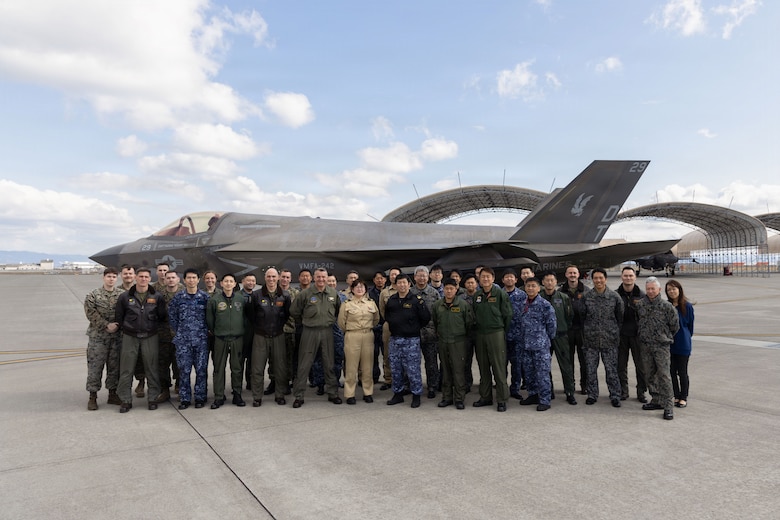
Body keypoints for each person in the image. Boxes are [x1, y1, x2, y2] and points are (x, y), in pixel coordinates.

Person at [115, 267, 167, 413]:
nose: (143, 279)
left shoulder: (157, 296)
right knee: (126, 369)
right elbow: (119, 316)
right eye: (141, 276)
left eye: (146, 277)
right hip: (130, 336)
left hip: (150, 336)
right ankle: (125, 400)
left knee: (151, 368)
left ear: (150, 279)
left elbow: (162, 316)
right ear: (136, 278)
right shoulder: (125, 297)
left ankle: (152, 398)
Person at [289, 268, 342, 408]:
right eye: (318, 277)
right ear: (314, 278)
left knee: (329, 363)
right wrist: (305, 322)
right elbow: (294, 311)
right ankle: (299, 396)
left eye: (324, 277)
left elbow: (337, 310)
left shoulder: (332, 293)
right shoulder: (305, 294)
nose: (321, 280)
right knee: (304, 364)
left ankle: (333, 393)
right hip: (309, 332)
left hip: (327, 331)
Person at [384, 274, 430, 408]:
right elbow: (387, 316)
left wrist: (413, 328)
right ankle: (398, 394)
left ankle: (416, 395)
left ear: (409, 284)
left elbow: (425, 318)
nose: (402, 285)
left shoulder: (416, 300)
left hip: (411, 340)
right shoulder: (392, 300)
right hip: (395, 339)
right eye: (399, 283)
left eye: (404, 283)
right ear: (396, 285)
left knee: (413, 369)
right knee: (395, 368)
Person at [246, 268, 291, 407]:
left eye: (273, 276)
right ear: (265, 278)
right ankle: (257, 397)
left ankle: (279, 395)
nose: (271, 279)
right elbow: (251, 315)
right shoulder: (256, 295)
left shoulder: (285, 295)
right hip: (260, 336)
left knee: (280, 368)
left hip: (278, 335)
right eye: (268, 277)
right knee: (257, 368)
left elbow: (287, 314)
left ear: (278, 278)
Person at [636, 277, 679, 420]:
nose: (650, 291)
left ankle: (668, 406)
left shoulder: (667, 307)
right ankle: (656, 400)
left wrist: (663, 336)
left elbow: (675, 326)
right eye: (648, 288)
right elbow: (638, 322)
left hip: (661, 346)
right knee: (649, 374)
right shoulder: (640, 305)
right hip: (646, 346)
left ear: (659, 290)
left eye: (653, 288)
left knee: (664, 376)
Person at [168, 268, 210, 409]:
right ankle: (185, 398)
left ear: (198, 280)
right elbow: (172, 317)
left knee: (201, 370)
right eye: (189, 278)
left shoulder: (205, 298)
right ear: (184, 280)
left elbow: (210, 317)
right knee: (184, 370)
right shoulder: (178, 298)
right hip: (183, 341)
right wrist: (180, 332)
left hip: (201, 340)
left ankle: (200, 397)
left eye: (194, 278)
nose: (191, 280)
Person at [582, 267, 624, 408]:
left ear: (605, 279)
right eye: (595, 278)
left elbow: (620, 317)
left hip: (609, 340)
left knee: (611, 370)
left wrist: (613, 332)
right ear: (592, 280)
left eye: (601, 278)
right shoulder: (587, 297)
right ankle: (592, 394)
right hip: (591, 340)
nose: (598, 280)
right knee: (591, 370)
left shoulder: (614, 297)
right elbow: (582, 317)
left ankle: (615, 395)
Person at [472, 267, 512, 412]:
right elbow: (474, 314)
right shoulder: (477, 295)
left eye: (488, 276)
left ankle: (502, 399)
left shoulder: (500, 294)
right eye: (483, 277)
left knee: (498, 367)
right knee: (483, 366)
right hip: (481, 334)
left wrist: (501, 331)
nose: (485, 279)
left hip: (496, 333)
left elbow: (507, 315)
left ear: (493, 279)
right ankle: (485, 397)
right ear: (479, 279)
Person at [431, 278, 474, 409]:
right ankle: (447, 397)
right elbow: (435, 322)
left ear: (456, 289)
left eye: (451, 288)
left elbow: (469, 324)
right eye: (447, 288)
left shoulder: (463, 305)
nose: (449, 291)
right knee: (445, 370)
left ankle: (459, 398)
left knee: (458, 371)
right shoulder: (438, 305)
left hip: (458, 342)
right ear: (443, 289)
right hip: (443, 341)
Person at [84, 267, 122, 410]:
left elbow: (126, 312)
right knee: (95, 367)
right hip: (98, 338)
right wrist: (106, 325)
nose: (111, 279)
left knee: (114, 367)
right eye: (108, 276)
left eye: (113, 276)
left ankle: (112, 394)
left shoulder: (122, 295)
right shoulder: (93, 295)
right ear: (103, 278)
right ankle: (92, 396)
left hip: (116, 337)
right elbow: (90, 313)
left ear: (116, 278)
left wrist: (117, 325)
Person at [338, 279, 380, 404]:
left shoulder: (371, 304)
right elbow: (341, 322)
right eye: (357, 287)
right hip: (352, 335)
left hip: (367, 335)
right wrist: (352, 330)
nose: (359, 289)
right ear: (352, 290)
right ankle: (350, 394)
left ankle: (368, 392)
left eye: (362, 287)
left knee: (367, 366)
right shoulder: (346, 304)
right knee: (351, 366)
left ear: (365, 289)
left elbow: (376, 319)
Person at [206, 273, 245, 409]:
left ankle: (237, 394)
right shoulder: (214, 300)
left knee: (237, 368)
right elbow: (210, 320)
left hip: (237, 339)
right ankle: (218, 396)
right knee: (218, 368)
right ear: (221, 284)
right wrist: (217, 332)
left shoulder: (241, 299)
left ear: (235, 284)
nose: (228, 283)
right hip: (220, 339)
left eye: (231, 281)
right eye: (226, 281)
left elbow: (245, 318)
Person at [518, 277, 557, 411]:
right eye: (528, 286)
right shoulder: (523, 304)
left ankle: (545, 399)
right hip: (526, 345)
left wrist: (545, 339)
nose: (530, 288)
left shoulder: (544, 305)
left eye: (533, 286)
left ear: (539, 288)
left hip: (540, 346)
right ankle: (533, 395)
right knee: (529, 373)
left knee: (542, 374)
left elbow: (552, 325)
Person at [540, 271, 577, 405]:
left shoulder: (563, 297)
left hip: (560, 336)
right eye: (547, 280)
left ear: (556, 282)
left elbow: (569, 316)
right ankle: (548, 391)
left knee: (566, 365)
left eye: (552, 280)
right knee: (544, 366)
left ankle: (569, 392)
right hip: (543, 338)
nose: (549, 283)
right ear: (543, 283)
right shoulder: (539, 297)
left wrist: (562, 328)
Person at [616, 266, 648, 403]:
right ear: (622, 277)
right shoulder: (616, 295)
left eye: (630, 276)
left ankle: (641, 392)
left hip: (637, 336)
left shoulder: (642, 296)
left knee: (641, 366)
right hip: (621, 336)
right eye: (625, 276)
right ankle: (623, 391)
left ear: (635, 277)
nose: (628, 278)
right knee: (620, 366)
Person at [409, 265, 441, 398]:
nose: (422, 278)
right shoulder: (409, 293)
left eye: (424, 275)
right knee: (412, 362)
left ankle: (432, 386)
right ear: (415, 277)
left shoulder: (434, 293)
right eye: (419, 275)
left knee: (431, 362)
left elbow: (439, 314)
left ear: (428, 277)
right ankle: (412, 386)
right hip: (413, 333)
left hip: (430, 333)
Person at [119, 264, 146, 399]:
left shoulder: (143, 291)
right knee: (123, 364)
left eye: (130, 274)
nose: (128, 276)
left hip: (140, 332)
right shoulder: (117, 292)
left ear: (134, 276)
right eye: (125, 274)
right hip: (122, 333)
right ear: (121, 275)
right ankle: (121, 391)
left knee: (141, 359)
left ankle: (141, 382)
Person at [666, 279, 694, 408]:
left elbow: (690, 325)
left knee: (682, 372)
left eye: (674, 289)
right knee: (671, 371)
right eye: (669, 290)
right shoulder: (666, 305)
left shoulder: (687, 306)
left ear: (679, 290)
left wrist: (686, 337)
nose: (672, 292)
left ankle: (683, 397)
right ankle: (676, 395)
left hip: (683, 343)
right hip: (670, 343)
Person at [560, 265, 587, 394]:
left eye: (574, 273)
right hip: (567, 331)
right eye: (570, 273)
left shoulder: (586, 291)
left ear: (578, 274)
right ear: (566, 275)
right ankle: (570, 387)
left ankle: (585, 386)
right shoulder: (560, 292)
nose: (572, 275)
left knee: (584, 361)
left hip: (582, 331)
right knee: (568, 361)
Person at [157, 270, 183, 401]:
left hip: (180, 335)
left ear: (178, 279)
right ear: (165, 280)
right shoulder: (158, 295)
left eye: (173, 277)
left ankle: (180, 386)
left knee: (180, 363)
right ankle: (165, 390)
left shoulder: (184, 294)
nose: (171, 280)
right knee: (162, 365)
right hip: (163, 335)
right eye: (168, 278)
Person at [502, 269, 526, 400]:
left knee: (517, 365)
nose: (509, 279)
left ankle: (515, 389)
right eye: (507, 277)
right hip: (502, 336)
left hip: (517, 336)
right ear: (503, 280)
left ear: (516, 280)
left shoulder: (522, 295)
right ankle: (502, 388)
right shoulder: (498, 294)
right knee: (502, 364)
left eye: (512, 277)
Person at [378, 267, 401, 390]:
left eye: (396, 274)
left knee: (401, 353)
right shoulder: (384, 292)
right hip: (388, 325)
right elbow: (382, 310)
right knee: (387, 353)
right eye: (392, 274)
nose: (394, 276)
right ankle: (388, 379)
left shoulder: (405, 289)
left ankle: (401, 379)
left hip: (403, 326)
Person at [461, 273, 479, 389]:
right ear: (465, 285)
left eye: (472, 282)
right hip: (466, 334)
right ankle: (467, 383)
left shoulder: (481, 296)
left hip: (479, 332)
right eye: (468, 283)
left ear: (476, 284)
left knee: (482, 360)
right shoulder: (461, 299)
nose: (470, 284)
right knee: (466, 360)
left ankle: (484, 384)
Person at [368, 270, 387, 384]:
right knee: (373, 354)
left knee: (387, 354)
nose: (380, 280)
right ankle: (374, 377)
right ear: (374, 280)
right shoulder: (369, 293)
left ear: (385, 280)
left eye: (382, 278)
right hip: (374, 328)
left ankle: (388, 378)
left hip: (386, 327)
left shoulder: (389, 292)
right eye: (377, 278)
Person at [239, 274, 258, 390]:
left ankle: (250, 383)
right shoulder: (237, 296)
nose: (251, 283)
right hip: (241, 333)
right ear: (243, 281)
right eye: (248, 280)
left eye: (253, 280)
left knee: (252, 360)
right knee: (239, 361)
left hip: (254, 333)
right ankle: (237, 385)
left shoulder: (257, 296)